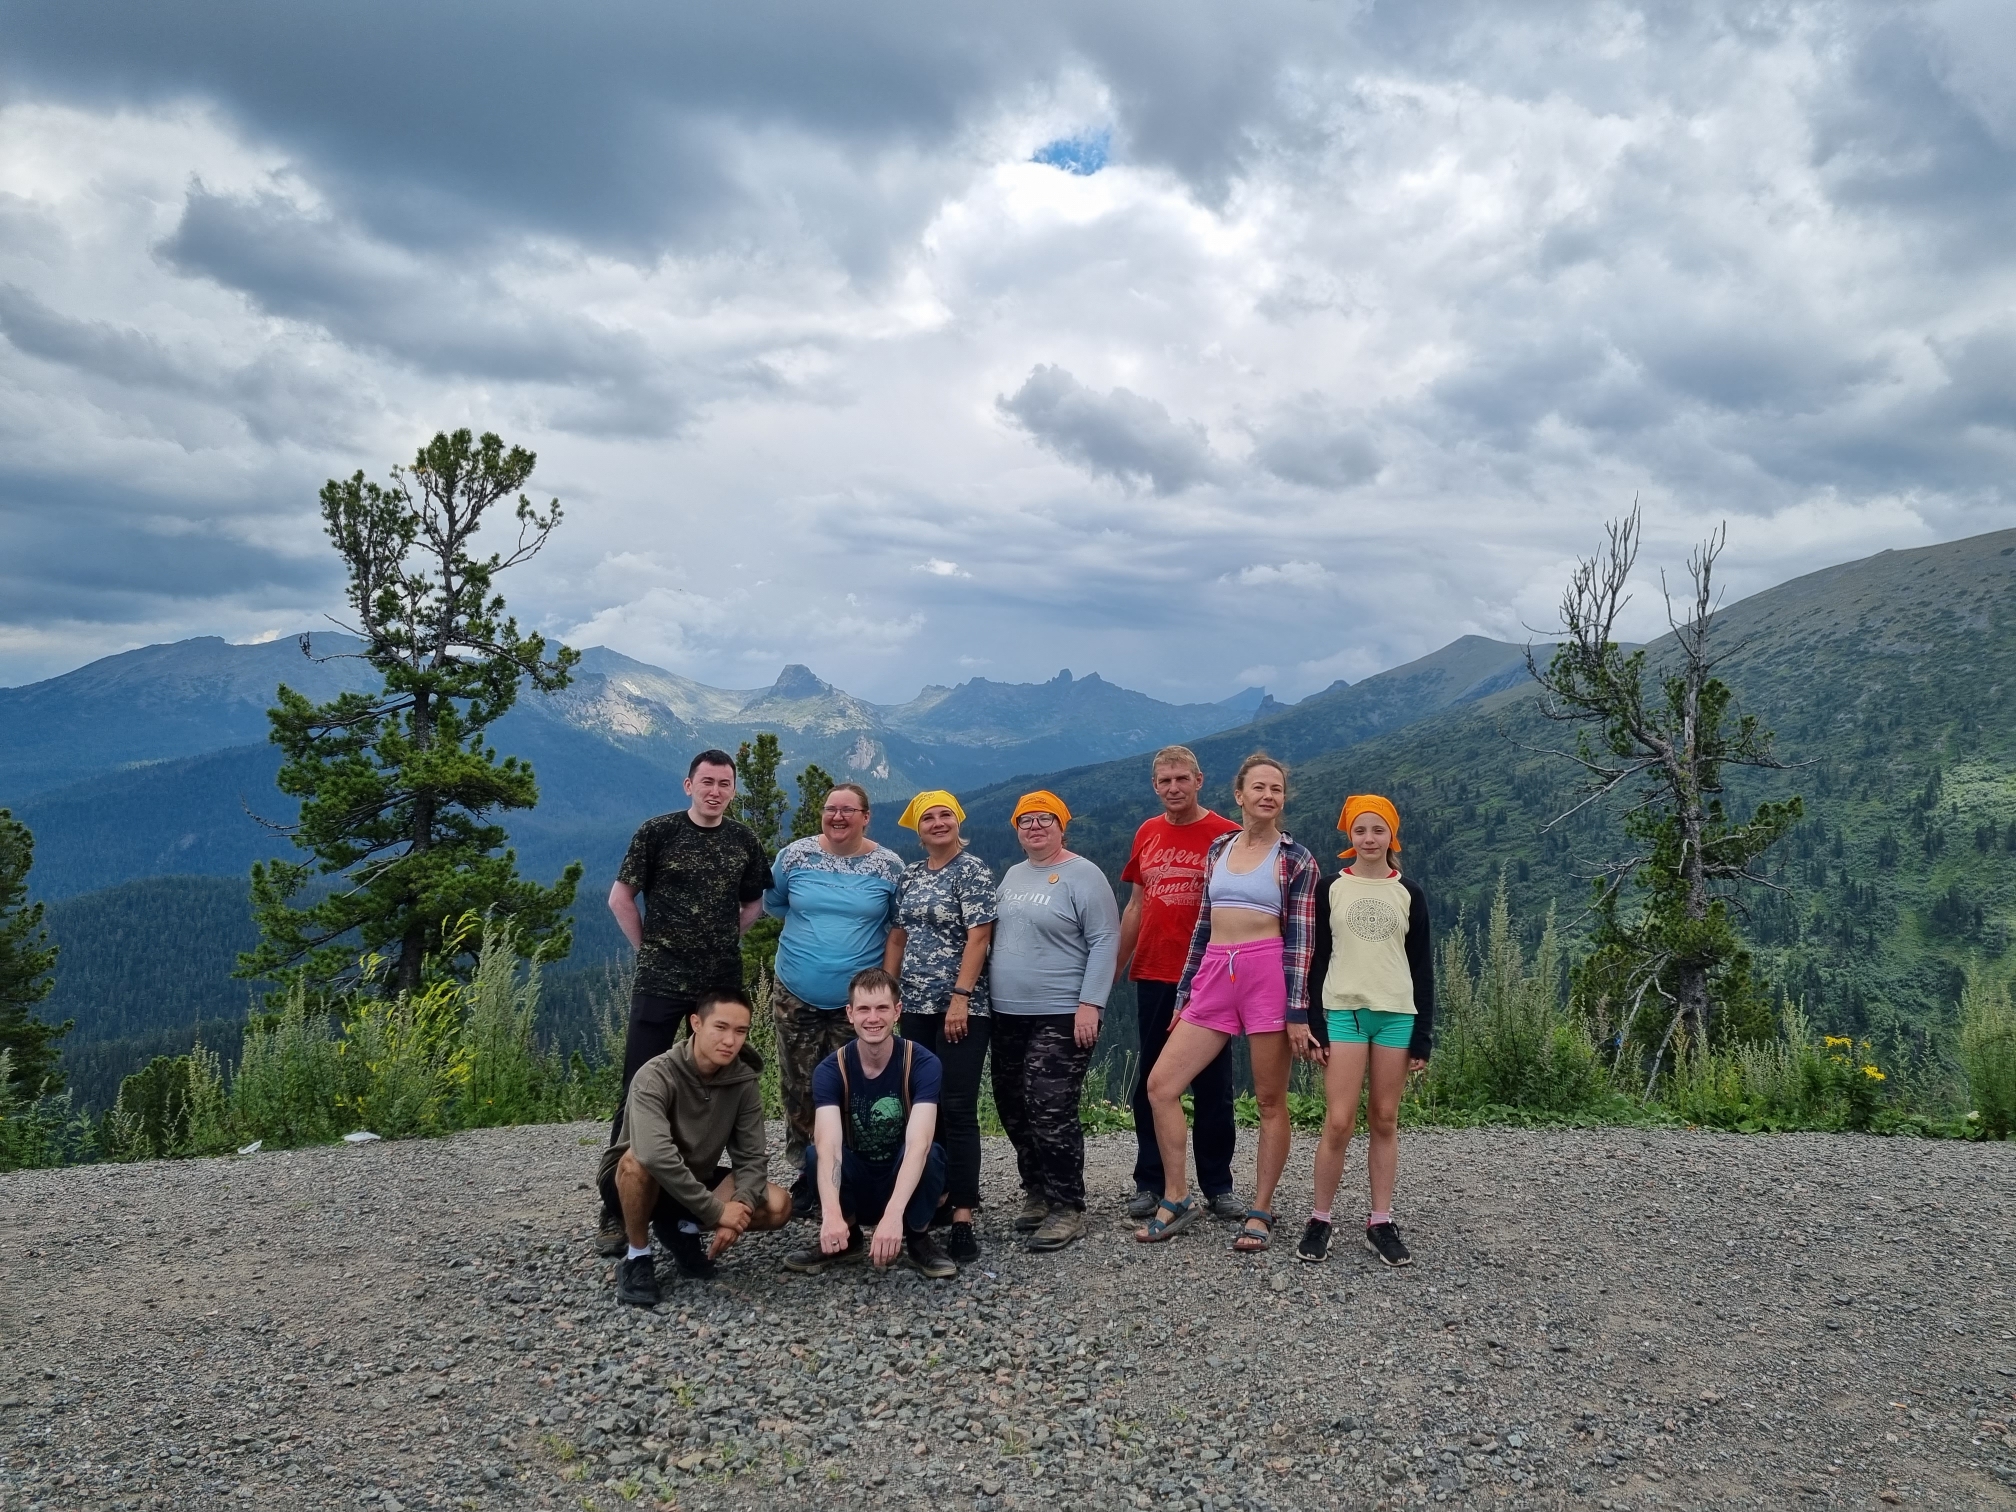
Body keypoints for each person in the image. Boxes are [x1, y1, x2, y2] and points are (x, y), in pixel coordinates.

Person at [1134, 754, 1319, 1253]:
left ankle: (1260, 1209)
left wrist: (1298, 1011)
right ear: (1239, 795)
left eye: (1276, 789)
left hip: (1267, 972)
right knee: (1161, 1085)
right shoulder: (1218, 849)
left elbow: (1303, 939)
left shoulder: (1296, 858)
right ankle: (1176, 1195)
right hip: (1216, 969)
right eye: (1258, 787)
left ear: (1282, 799)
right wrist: (1187, 989)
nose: (1267, 796)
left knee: (1269, 1101)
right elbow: (1202, 926)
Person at [598, 748, 773, 1255]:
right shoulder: (657, 832)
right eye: (707, 781)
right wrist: (649, 950)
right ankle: (615, 1206)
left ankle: (693, 1202)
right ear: (688, 784)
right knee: (637, 1085)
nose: (715, 790)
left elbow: (754, 901)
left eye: (724, 783)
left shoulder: (743, 840)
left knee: (721, 1082)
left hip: (719, 983)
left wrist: (723, 940)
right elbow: (620, 898)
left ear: (733, 790)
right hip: (660, 980)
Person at [1298, 793, 1435, 1268]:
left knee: (1384, 1118)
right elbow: (1316, 959)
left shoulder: (1409, 891)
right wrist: (1314, 1021)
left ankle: (1380, 1221)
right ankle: (1320, 1218)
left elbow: (1422, 966)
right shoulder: (1331, 887)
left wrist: (1424, 1035)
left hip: (1397, 1013)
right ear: (1349, 836)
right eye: (1361, 830)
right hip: (1344, 1012)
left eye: (1378, 830)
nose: (1369, 838)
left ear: (1391, 835)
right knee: (1338, 1121)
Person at [600, 989, 793, 1308]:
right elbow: (654, 1155)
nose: (730, 1040)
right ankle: (637, 1257)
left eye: (740, 1031)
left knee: (779, 1205)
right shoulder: (655, 1075)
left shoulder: (743, 1082)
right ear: (696, 1024)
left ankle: (680, 1228)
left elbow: (752, 1157)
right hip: (634, 1182)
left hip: (694, 1181)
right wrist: (718, 1212)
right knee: (636, 1161)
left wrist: (740, 1208)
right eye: (721, 1027)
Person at [1116, 745, 1244, 1223]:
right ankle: (1150, 1181)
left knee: (1214, 1085)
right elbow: (1135, 906)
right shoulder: (1147, 832)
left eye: (1181, 779)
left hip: (1211, 977)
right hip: (1154, 971)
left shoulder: (1227, 836)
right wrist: (1114, 967)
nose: (1174, 788)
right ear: (1155, 786)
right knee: (1152, 1081)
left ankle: (1218, 1184)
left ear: (1199, 780)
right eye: (1165, 781)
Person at [765, 782, 905, 1216]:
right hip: (796, 993)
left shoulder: (889, 867)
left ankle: (854, 1173)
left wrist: (886, 993)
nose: (837, 816)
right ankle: (809, 1172)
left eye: (848, 810)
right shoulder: (794, 857)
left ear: (867, 816)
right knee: (800, 1086)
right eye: (830, 809)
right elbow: (774, 904)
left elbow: (898, 931)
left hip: (859, 1003)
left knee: (857, 1088)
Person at [990, 789, 1119, 1254]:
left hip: (1062, 1011)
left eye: (1045, 819)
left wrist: (1092, 1003)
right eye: (1025, 820)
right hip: (1007, 1012)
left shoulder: (1083, 875)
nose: (1035, 827)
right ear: (1017, 829)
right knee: (1012, 1104)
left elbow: (1105, 940)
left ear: (1062, 826)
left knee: (1050, 1106)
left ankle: (1067, 1204)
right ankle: (1037, 1190)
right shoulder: (1013, 874)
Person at [782, 968, 957, 1279]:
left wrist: (893, 1216)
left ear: (897, 1012)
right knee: (814, 1155)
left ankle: (918, 1238)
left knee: (931, 1155)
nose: (872, 1018)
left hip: (903, 1178)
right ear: (850, 1014)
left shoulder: (923, 1063)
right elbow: (828, 1143)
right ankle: (845, 1238)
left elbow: (919, 1142)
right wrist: (831, 1213)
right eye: (863, 1008)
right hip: (859, 1179)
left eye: (882, 1008)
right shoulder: (831, 1069)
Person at [882, 789, 996, 1263]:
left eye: (945, 814)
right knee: (922, 1106)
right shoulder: (908, 876)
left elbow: (980, 936)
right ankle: (938, 1197)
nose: (937, 823)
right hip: (914, 1007)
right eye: (927, 818)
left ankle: (964, 1214)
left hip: (962, 1008)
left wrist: (960, 998)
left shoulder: (974, 870)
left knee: (957, 1105)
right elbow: (897, 937)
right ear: (916, 827)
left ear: (957, 820)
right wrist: (885, 997)